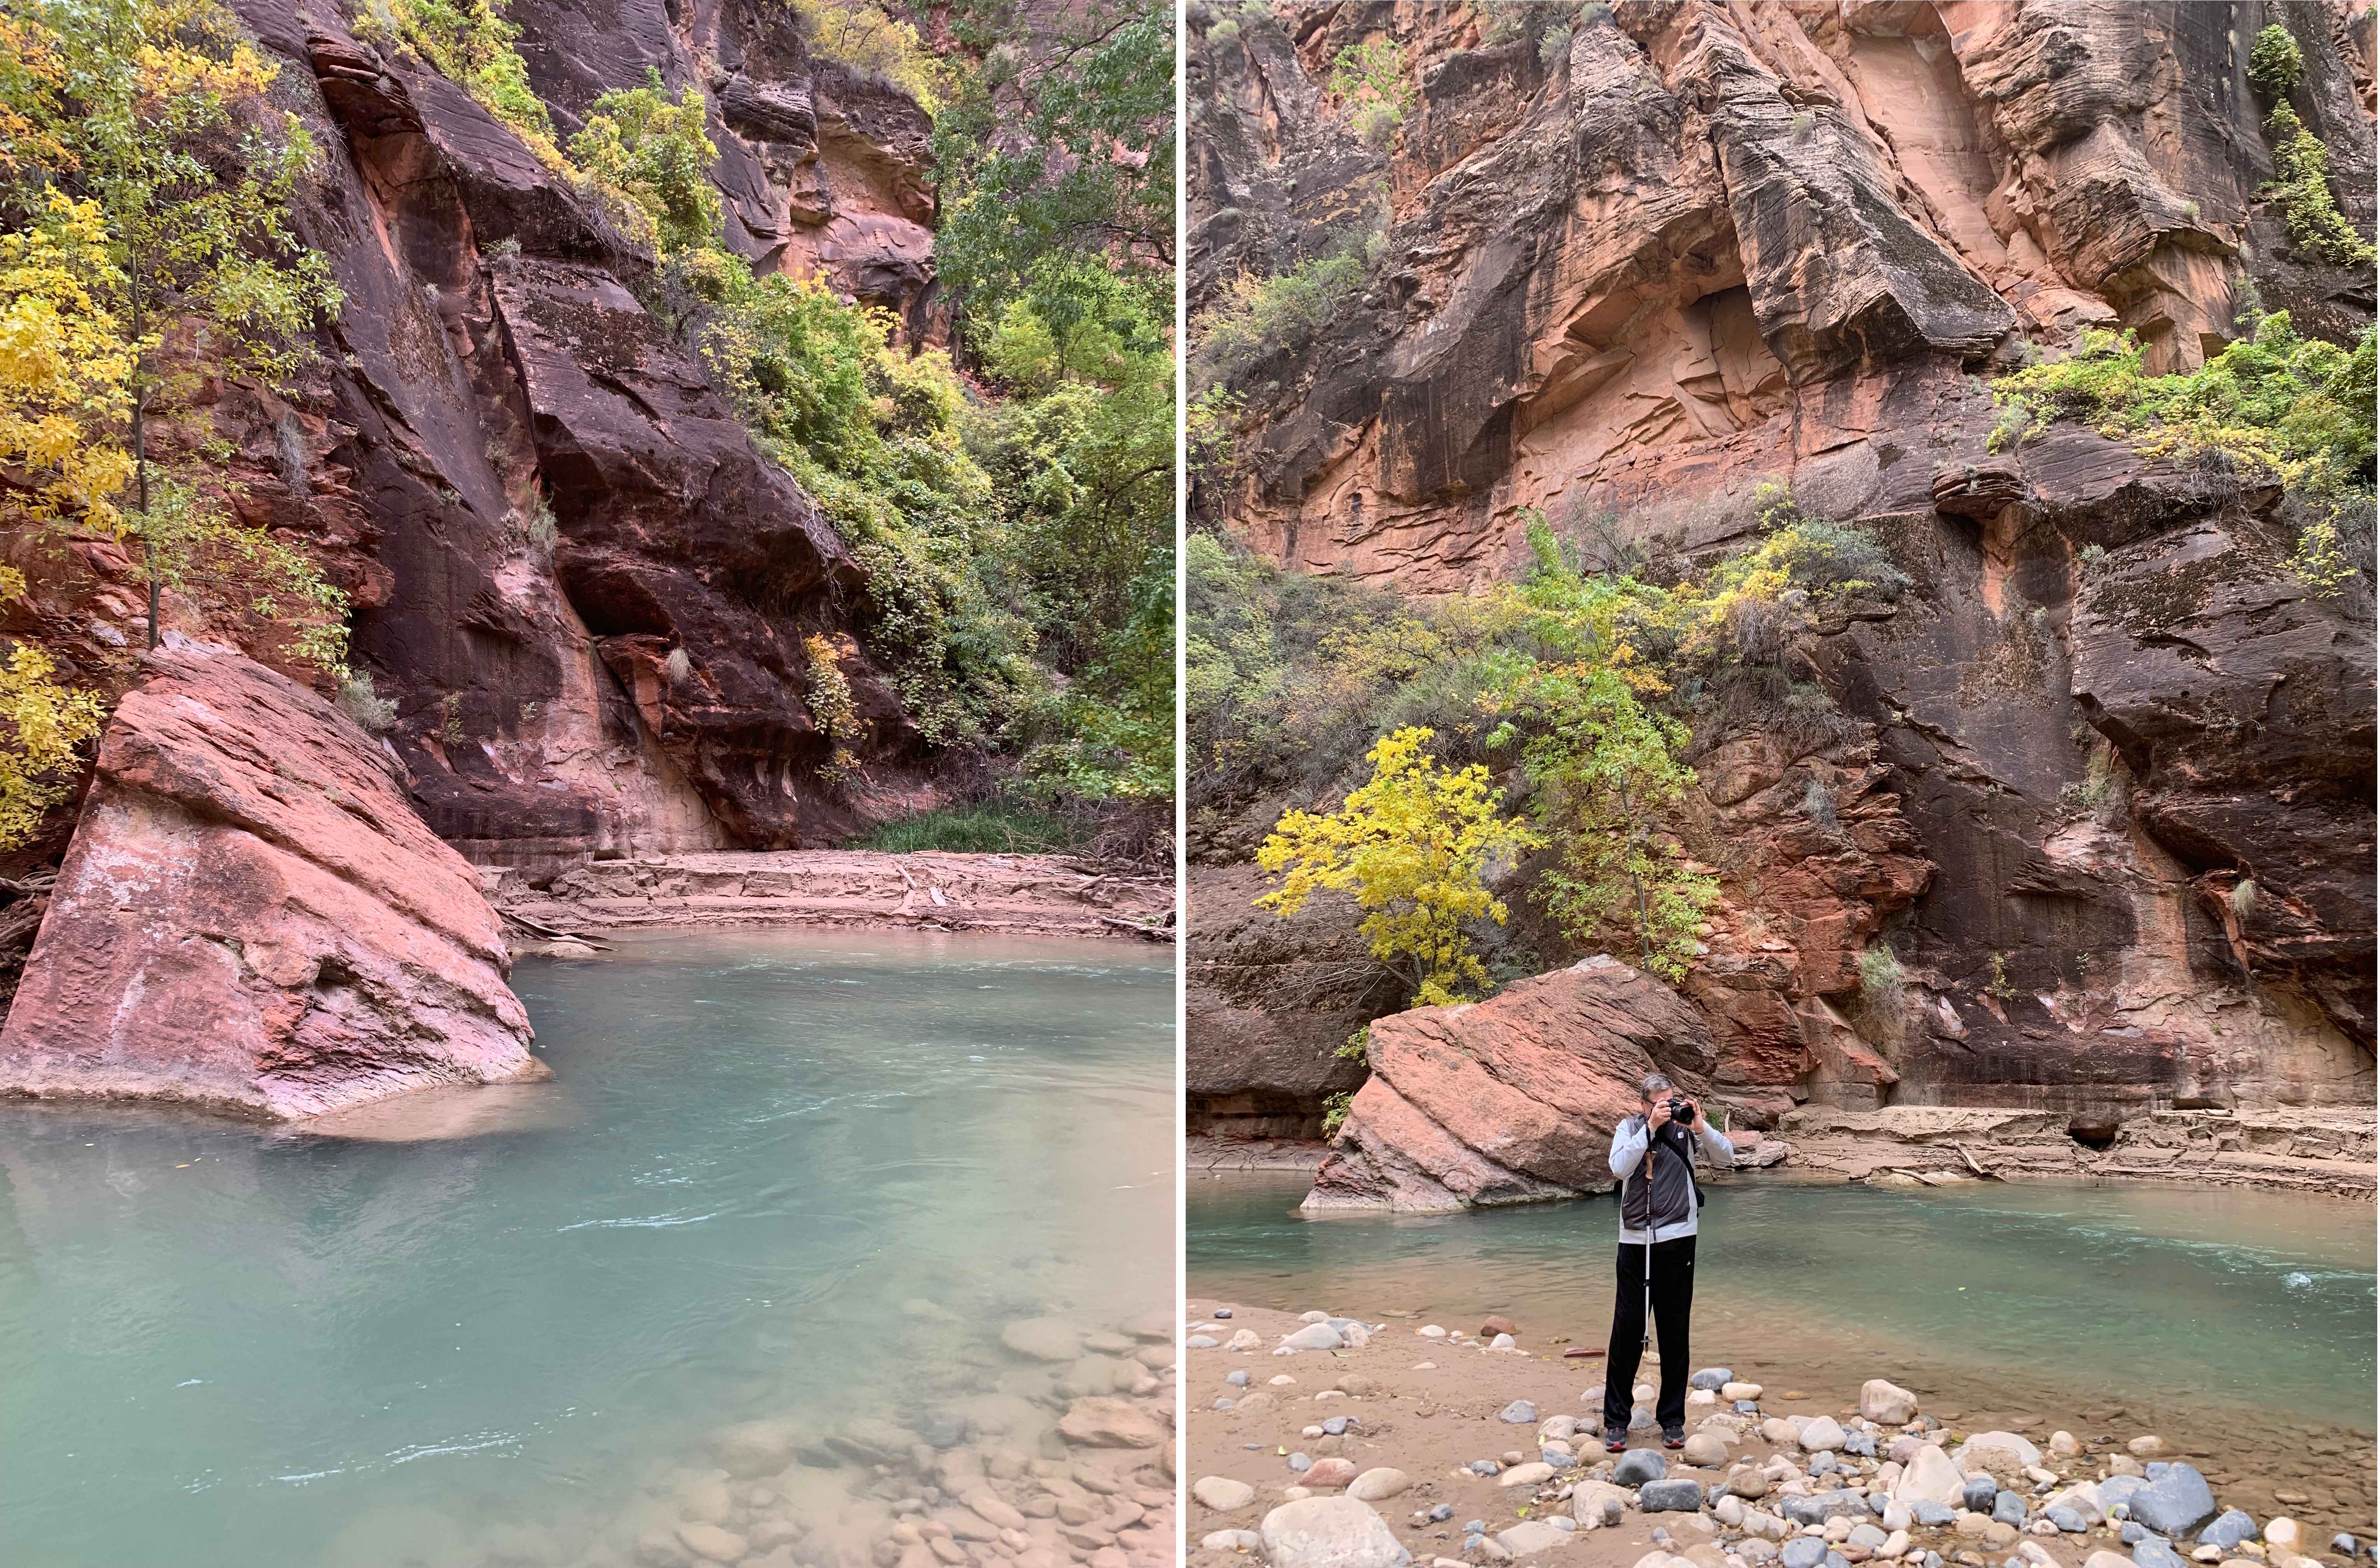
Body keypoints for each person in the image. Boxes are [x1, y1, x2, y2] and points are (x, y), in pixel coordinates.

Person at [1601, 1072, 1736, 1452]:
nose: (1667, 1107)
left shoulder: (1687, 1130)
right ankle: (1616, 1421)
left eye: (1671, 1100)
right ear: (1643, 1104)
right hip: (1635, 1239)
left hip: (1680, 1239)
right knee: (1627, 1331)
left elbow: (1727, 1157)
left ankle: (1673, 1420)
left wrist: (1700, 1125)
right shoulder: (1629, 1128)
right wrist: (1650, 1128)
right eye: (1659, 1102)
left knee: (1675, 1332)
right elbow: (1619, 1168)